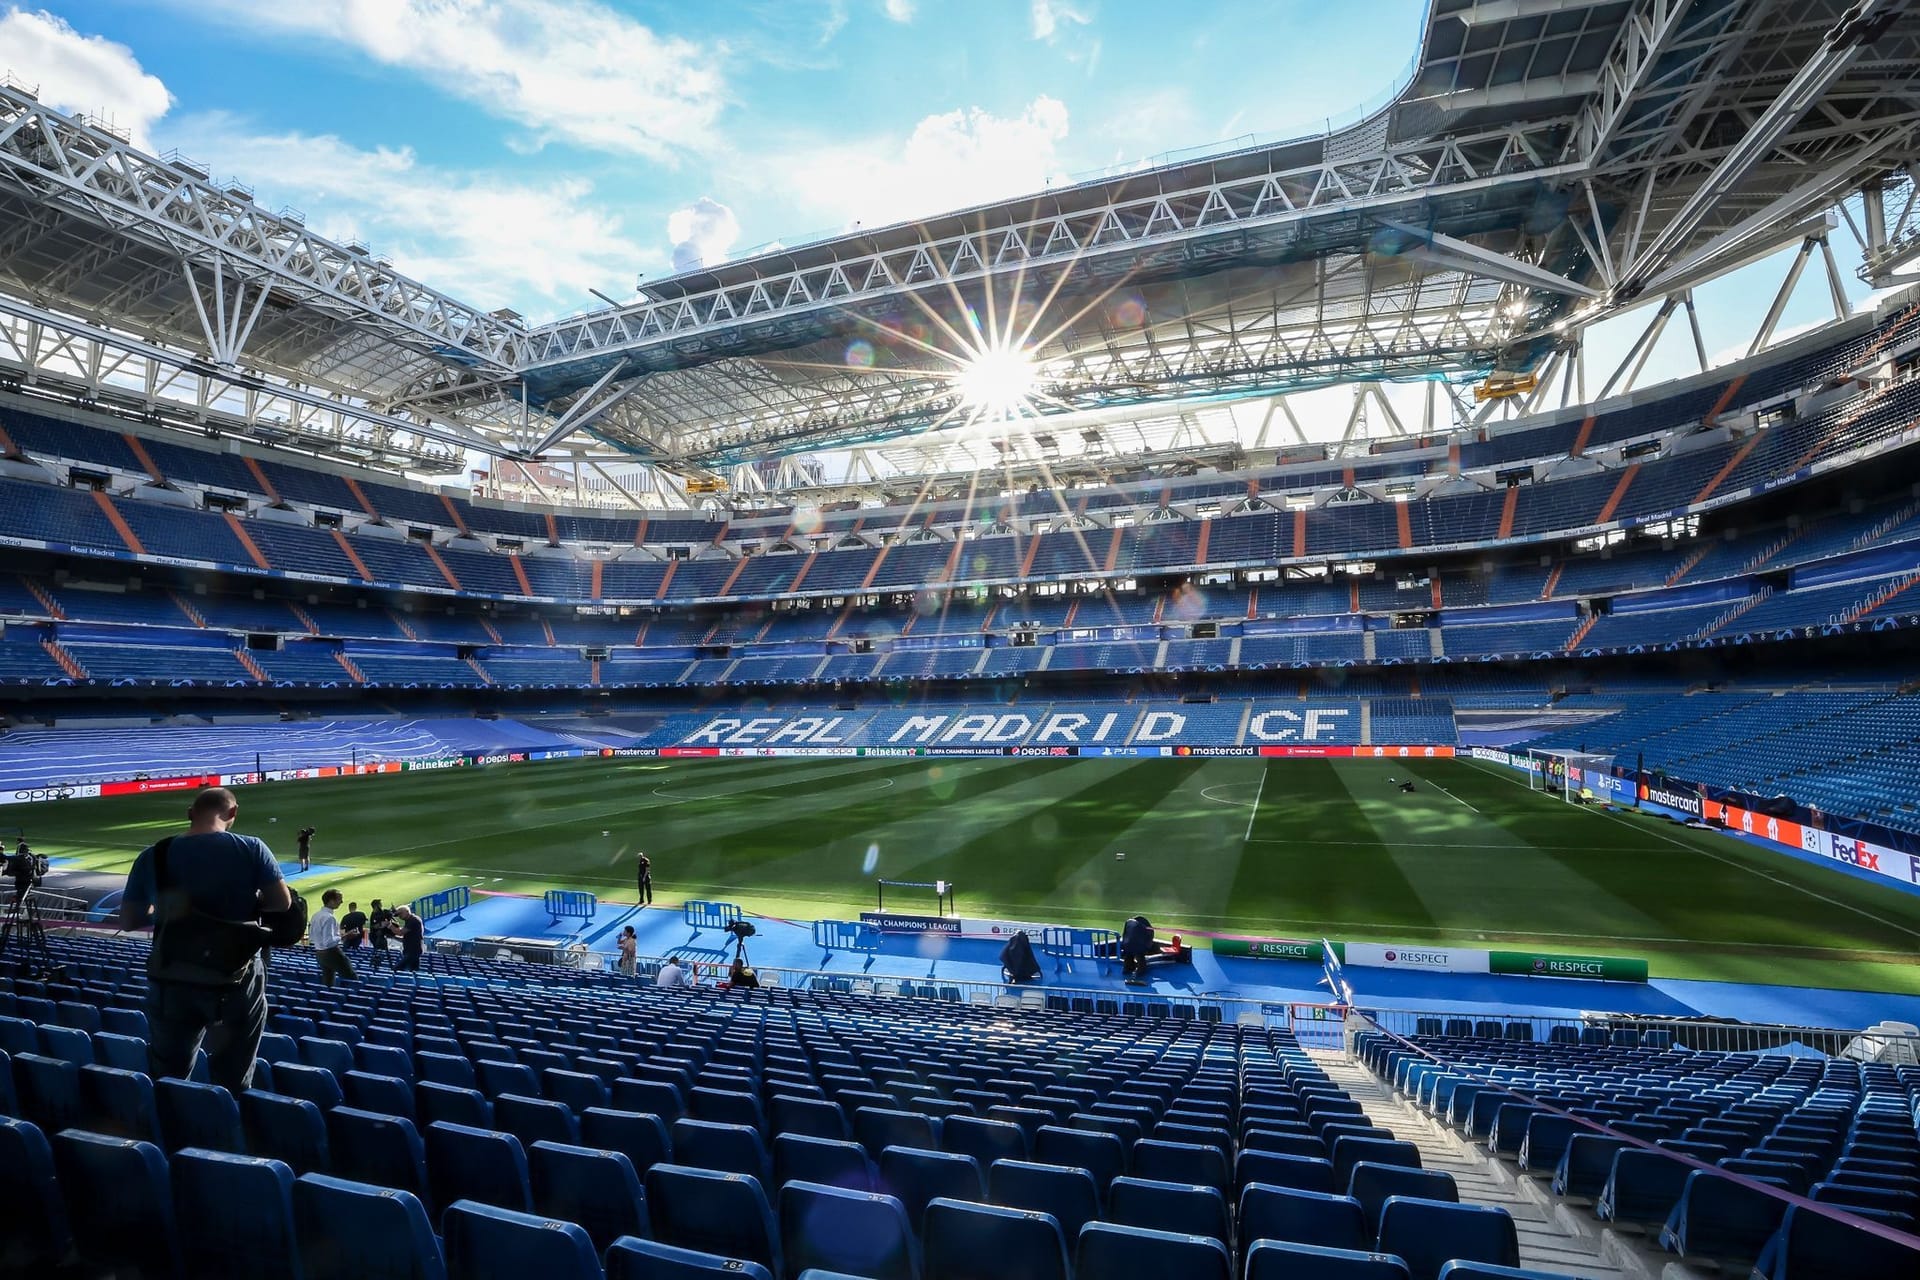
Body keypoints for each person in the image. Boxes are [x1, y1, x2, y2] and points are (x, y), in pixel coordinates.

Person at [119, 786, 291, 1093]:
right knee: (233, 1079)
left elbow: (129, 921)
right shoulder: (251, 848)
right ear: (233, 813)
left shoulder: (153, 855)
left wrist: (169, 914)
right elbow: (282, 903)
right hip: (234, 980)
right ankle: (224, 1133)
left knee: (168, 1078)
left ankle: (169, 1134)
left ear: (189, 814)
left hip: (171, 979)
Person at [310, 889, 354, 987]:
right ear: (331, 900)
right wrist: (344, 936)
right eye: (339, 899)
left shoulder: (315, 915)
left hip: (319, 953)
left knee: (328, 982)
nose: (341, 902)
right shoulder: (329, 918)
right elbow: (328, 942)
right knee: (352, 979)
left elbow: (312, 937)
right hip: (331, 953)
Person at [396, 904, 424, 971]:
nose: (399, 916)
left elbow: (400, 933)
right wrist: (392, 936)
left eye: (401, 914)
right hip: (410, 951)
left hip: (413, 952)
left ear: (407, 911)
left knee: (397, 969)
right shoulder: (409, 921)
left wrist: (389, 925)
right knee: (413, 971)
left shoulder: (413, 920)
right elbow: (406, 939)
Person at [368, 899, 392, 970]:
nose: (381, 905)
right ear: (376, 905)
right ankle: (376, 968)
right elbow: (374, 926)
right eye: (380, 904)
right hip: (376, 937)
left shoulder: (380, 913)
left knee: (380, 953)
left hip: (380, 936)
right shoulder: (374, 915)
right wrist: (382, 924)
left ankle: (377, 967)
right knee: (378, 953)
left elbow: (388, 915)